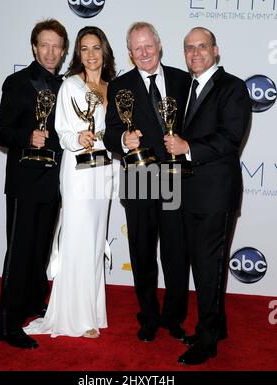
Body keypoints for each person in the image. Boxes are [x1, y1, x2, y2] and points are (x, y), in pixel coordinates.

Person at [23, 26, 116, 339]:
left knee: (94, 241)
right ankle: (74, 316)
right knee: (76, 239)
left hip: (103, 171)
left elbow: (115, 133)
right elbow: (62, 131)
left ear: (105, 50)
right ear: (77, 53)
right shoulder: (70, 85)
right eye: (84, 49)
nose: (90, 55)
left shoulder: (112, 87)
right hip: (77, 170)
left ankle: (92, 311)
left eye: (95, 48)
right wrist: (78, 137)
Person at [166, 27, 251, 365]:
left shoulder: (233, 87)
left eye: (202, 47)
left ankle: (207, 341)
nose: (195, 53)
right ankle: (218, 327)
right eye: (189, 48)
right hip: (188, 193)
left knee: (209, 266)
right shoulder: (186, 88)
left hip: (216, 193)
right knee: (203, 268)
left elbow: (230, 138)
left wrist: (189, 147)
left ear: (216, 51)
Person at [104, 22, 191, 342]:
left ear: (159, 45)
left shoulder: (184, 81)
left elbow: (194, 125)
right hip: (138, 177)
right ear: (129, 53)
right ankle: (149, 316)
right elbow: (109, 131)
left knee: (176, 253)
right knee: (142, 252)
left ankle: (174, 317)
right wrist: (123, 139)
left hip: (174, 178)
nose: (144, 53)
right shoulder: (119, 86)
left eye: (148, 46)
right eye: (137, 48)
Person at [0, 19, 68, 349]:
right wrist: (27, 137)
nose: (50, 51)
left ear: (63, 51)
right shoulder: (18, 83)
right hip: (25, 181)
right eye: (45, 45)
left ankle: (32, 306)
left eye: (57, 46)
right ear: (35, 48)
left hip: (54, 182)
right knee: (20, 251)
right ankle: (7, 324)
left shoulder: (68, 87)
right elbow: (1, 132)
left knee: (39, 251)